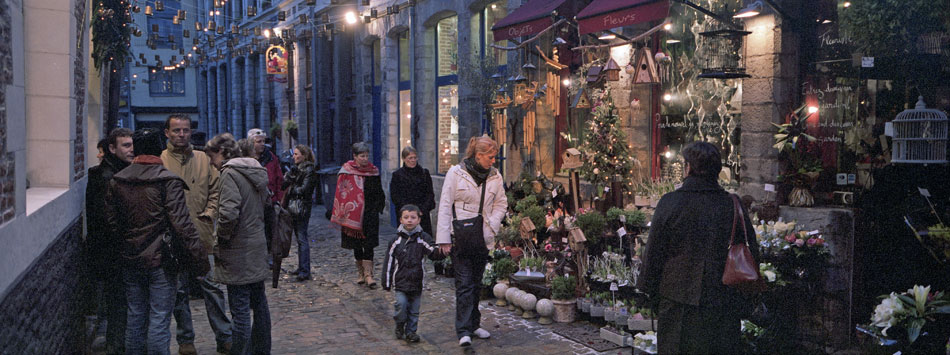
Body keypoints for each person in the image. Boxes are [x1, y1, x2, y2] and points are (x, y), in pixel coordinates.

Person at [638, 141, 760, 354]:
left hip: (678, 299)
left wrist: (649, 291)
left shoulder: (670, 202)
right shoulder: (732, 204)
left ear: (688, 168)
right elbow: (751, 249)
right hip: (722, 300)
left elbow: (654, 253)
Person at [104, 128, 209, 354]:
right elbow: (182, 224)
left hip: (131, 258)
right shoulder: (167, 181)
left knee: (136, 316)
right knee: (159, 319)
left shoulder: (118, 181)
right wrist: (199, 259)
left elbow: (112, 225)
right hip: (161, 259)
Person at [160, 114, 232, 355]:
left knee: (212, 288)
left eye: (185, 130)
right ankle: (186, 340)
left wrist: (209, 213)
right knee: (179, 292)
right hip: (173, 239)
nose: (181, 134)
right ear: (167, 133)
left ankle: (225, 336)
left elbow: (216, 189)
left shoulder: (202, 159)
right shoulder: (160, 161)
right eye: (176, 130)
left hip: (202, 236)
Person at [435, 135, 507, 347]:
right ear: (478, 156)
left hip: (482, 237)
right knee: (464, 284)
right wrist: (443, 239)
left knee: (476, 283)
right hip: (461, 236)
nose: (493, 161)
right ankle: (464, 330)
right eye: (490, 157)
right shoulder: (456, 174)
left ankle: (474, 325)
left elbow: (501, 203)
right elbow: (445, 205)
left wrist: (492, 224)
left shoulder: (495, 177)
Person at [205, 133, 272, 355]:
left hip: (238, 249)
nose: (210, 162)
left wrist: (221, 239)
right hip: (256, 245)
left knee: (240, 309)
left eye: (211, 156)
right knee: (259, 304)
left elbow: (228, 214)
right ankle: (261, 350)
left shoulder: (230, 173)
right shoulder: (255, 170)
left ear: (222, 153)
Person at [85, 129, 133, 354]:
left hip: (108, 251)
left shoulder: (113, 172)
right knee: (116, 302)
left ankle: (115, 342)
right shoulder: (109, 177)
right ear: (112, 149)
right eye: (125, 145)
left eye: (131, 144)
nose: (131, 149)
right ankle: (116, 345)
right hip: (111, 252)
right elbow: (107, 219)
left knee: (114, 302)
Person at [382, 204, 444, 343]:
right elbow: (389, 262)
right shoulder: (396, 241)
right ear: (401, 220)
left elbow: (432, 252)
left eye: (413, 217)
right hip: (400, 282)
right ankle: (399, 324)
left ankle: (411, 332)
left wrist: (442, 251)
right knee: (401, 306)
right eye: (406, 217)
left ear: (418, 220)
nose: (409, 220)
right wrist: (386, 283)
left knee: (414, 311)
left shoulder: (423, 238)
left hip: (416, 282)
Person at [330, 142, 385, 288]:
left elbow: (379, 190)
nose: (365, 159)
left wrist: (379, 206)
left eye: (366, 156)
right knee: (356, 245)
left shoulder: (373, 171)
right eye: (362, 156)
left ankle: (369, 275)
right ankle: (360, 273)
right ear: (355, 156)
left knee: (369, 245)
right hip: (352, 215)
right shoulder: (346, 171)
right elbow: (341, 192)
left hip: (370, 214)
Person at [281, 144, 318, 282]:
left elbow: (305, 190)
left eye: (297, 154)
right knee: (298, 238)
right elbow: (283, 185)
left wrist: (292, 188)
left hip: (301, 208)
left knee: (302, 238)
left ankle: (305, 270)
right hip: (292, 206)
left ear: (304, 155)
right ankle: (301, 266)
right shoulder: (295, 169)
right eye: (294, 154)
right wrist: (291, 175)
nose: (294, 157)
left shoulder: (309, 170)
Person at [389, 146, 436, 236]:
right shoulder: (397, 175)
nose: (413, 160)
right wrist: (408, 212)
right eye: (410, 158)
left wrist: (422, 210)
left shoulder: (424, 173)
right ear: (404, 159)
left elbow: (430, 194)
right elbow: (395, 196)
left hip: (422, 213)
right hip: (406, 215)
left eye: (415, 158)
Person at [247, 128, 284, 204]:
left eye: (264, 141)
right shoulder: (245, 158)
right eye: (259, 141)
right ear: (251, 143)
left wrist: (278, 200)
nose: (263, 144)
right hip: (252, 202)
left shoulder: (271, 157)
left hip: (270, 201)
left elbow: (279, 180)